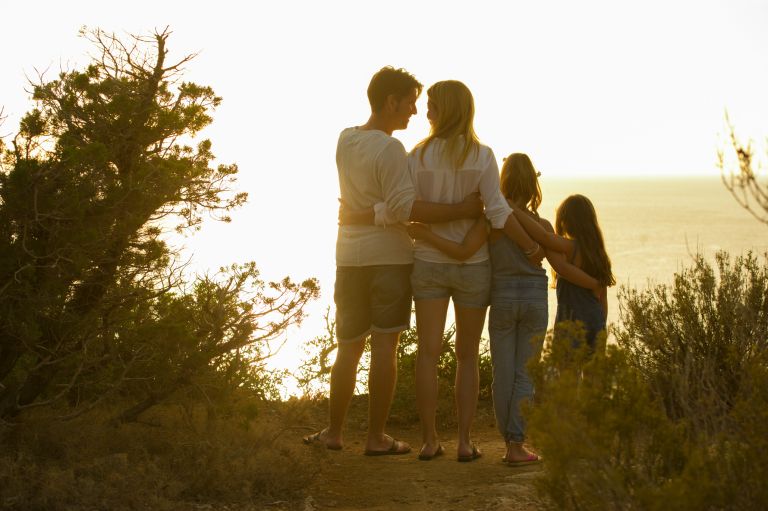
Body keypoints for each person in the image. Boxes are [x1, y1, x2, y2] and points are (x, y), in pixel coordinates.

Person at [303, 67, 485, 456]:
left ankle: (334, 432)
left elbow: (360, 206)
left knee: (347, 346)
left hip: (348, 252)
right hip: (387, 256)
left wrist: (362, 214)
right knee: (385, 345)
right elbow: (404, 208)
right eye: (409, 103)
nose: (415, 112)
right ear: (390, 102)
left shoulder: (345, 139)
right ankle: (375, 437)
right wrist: (461, 208)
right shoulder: (391, 149)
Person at [365, 81, 542, 462]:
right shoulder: (483, 156)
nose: (425, 111)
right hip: (473, 267)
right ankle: (464, 442)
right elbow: (497, 213)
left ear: (446, 109)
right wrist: (530, 246)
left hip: (428, 262)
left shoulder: (417, 156)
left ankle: (430, 442)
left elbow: (407, 206)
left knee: (427, 355)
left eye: (431, 105)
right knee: (466, 356)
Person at [410, 152, 601, 465]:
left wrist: (425, 234)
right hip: (533, 299)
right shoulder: (542, 223)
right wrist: (595, 281)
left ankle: (506, 441)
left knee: (503, 374)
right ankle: (516, 445)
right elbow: (557, 264)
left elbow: (464, 250)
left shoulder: (491, 222)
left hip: (501, 298)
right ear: (532, 186)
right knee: (525, 375)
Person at [512, 191, 615, 352]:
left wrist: (514, 210)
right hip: (595, 319)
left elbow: (543, 236)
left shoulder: (571, 247)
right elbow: (603, 298)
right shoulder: (598, 253)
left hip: (570, 320)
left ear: (566, 221)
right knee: (593, 373)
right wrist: (601, 326)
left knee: (567, 373)